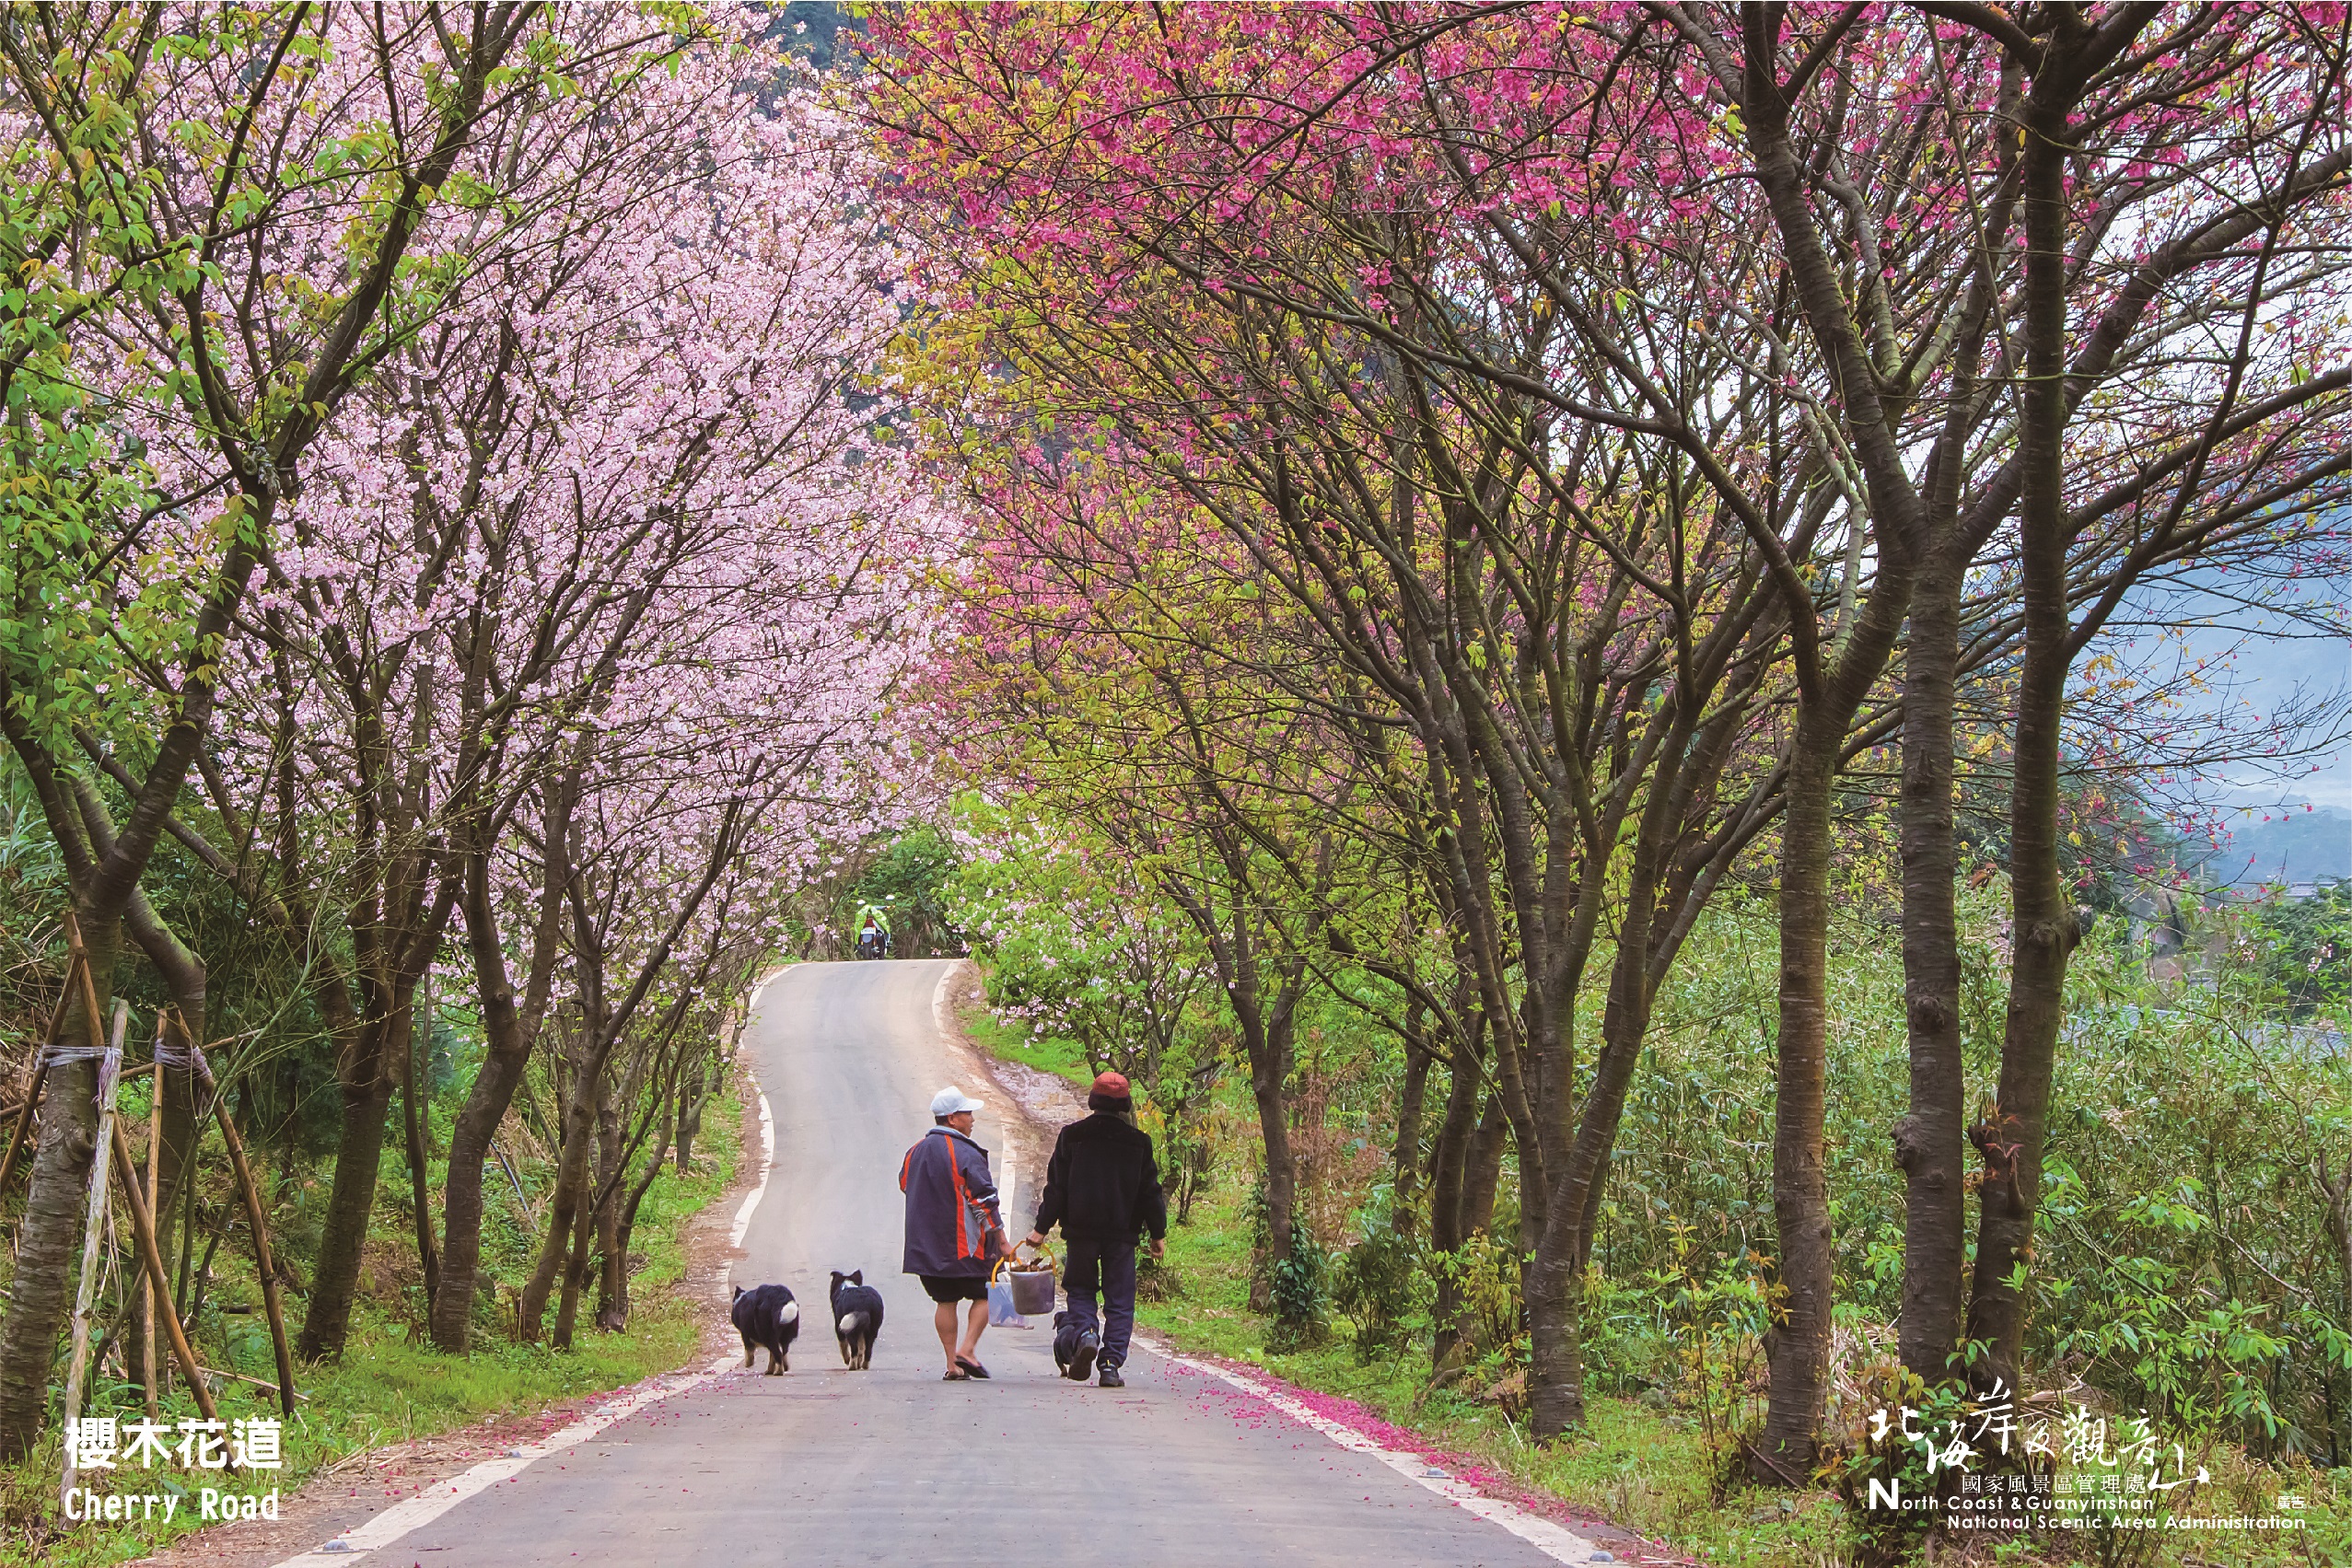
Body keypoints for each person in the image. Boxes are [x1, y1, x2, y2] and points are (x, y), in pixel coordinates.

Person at [1024, 1071, 1166, 1388]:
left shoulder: (1072, 1136)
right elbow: (1150, 1192)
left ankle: (1087, 1332)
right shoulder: (1139, 1142)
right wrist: (1158, 1233)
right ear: (1126, 1104)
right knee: (1120, 1300)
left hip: (1081, 1233)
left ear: (1093, 1100)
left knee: (1081, 1289)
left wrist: (1041, 1228)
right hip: (1121, 1236)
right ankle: (1111, 1364)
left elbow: (1056, 1188)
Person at [901, 1086, 1006, 1380]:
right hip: (965, 1246)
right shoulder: (965, 1153)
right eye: (967, 1113)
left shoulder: (915, 1151)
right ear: (951, 1119)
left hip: (926, 1246)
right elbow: (984, 1200)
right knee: (987, 1292)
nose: (972, 1119)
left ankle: (952, 1364)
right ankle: (967, 1350)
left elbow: (904, 1183)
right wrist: (1002, 1240)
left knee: (945, 1300)